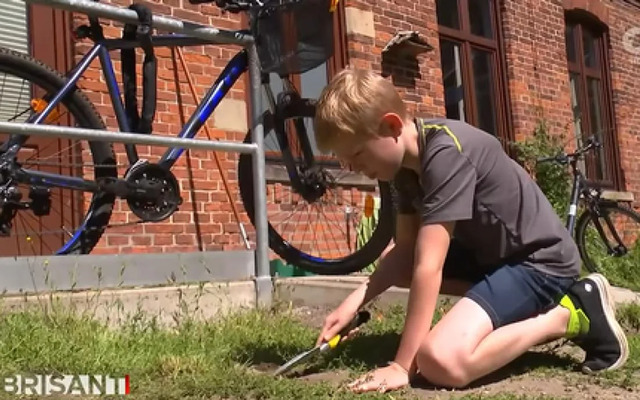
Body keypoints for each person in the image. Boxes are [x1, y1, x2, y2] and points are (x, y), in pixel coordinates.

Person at [312, 67, 629, 394]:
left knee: (439, 360)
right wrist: (354, 301)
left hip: (540, 262)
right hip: (495, 258)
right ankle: (500, 306)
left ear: (390, 126)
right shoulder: (402, 171)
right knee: (399, 265)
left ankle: (570, 313)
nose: (351, 167)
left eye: (356, 154)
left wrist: (402, 365)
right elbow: (406, 250)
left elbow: (429, 266)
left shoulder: (445, 152)